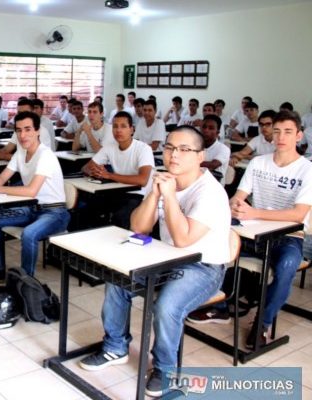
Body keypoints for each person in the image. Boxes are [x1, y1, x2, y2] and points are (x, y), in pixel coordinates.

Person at [80, 125, 230, 398]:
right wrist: (155, 193)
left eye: (184, 149)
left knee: (166, 306)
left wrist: (169, 196)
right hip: (165, 257)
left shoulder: (210, 192)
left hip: (203, 266)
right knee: (118, 279)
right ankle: (115, 346)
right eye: (170, 147)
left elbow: (184, 239)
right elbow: (139, 227)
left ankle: (165, 368)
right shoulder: (162, 179)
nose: (174, 155)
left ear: (200, 156)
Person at [189, 111, 312, 350]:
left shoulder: (307, 170)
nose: (281, 137)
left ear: (299, 135)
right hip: (252, 232)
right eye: (276, 131)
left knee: (287, 266)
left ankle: (262, 323)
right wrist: (236, 204)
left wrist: (255, 212)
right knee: (217, 247)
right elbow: (239, 197)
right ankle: (221, 305)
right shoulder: (258, 163)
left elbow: (298, 214)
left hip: (288, 237)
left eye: (288, 132)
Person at [0, 111, 70, 278]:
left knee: (29, 234)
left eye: (28, 129)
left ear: (37, 131)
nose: (22, 135)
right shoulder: (20, 152)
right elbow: (2, 177)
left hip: (54, 213)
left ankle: (25, 283)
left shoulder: (45, 155)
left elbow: (31, 191)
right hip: (31, 209)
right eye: (19, 130)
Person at [82, 111, 154, 228]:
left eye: (123, 126)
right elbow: (85, 168)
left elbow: (142, 180)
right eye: (115, 126)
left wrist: (109, 176)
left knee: (120, 217)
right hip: (117, 192)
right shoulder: (109, 148)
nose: (118, 130)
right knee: (88, 210)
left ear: (132, 129)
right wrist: (95, 172)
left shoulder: (143, 149)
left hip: (140, 195)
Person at [200, 114, 230, 183]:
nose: (206, 130)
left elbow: (213, 165)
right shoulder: (194, 146)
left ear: (217, 133)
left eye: (211, 128)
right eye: (204, 127)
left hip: (214, 188)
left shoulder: (223, 149)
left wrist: (190, 163)